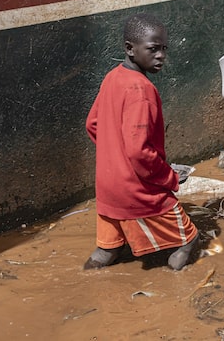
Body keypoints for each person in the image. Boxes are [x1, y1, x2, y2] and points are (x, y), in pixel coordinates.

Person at [84, 13, 199, 270]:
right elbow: (138, 152)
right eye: (153, 49)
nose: (161, 56)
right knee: (190, 239)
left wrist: (114, 156)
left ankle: (87, 284)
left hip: (106, 187)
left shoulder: (113, 77)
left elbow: (92, 124)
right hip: (135, 190)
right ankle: (175, 295)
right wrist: (169, 177)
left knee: (106, 250)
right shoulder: (142, 90)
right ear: (130, 49)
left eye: (164, 49)